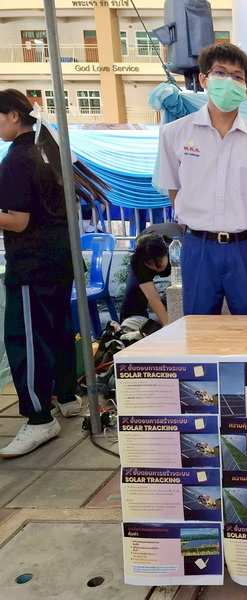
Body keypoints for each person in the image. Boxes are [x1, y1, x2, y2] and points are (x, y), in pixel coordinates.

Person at [158, 43, 247, 316]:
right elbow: (174, 188)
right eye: (220, 73)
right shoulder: (174, 134)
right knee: (198, 326)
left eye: (237, 76)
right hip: (198, 247)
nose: (229, 81)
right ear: (203, 79)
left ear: (246, 89)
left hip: (246, 248)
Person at [0, 89, 81, 458]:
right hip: (61, 258)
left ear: (13, 116)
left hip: (33, 263)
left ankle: (38, 417)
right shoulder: (48, 150)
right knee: (59, 330)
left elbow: (18, 221)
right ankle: (66, 396)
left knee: (26, 339)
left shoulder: (18, 158)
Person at [119, 231, 174, 324]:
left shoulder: (177, 250)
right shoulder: (138, 260)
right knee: (133, 298)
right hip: (145, 250)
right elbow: (152, 297)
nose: (155, 267)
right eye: (150, 264)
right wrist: (167, 325)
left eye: (158, 262)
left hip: (169, 248)